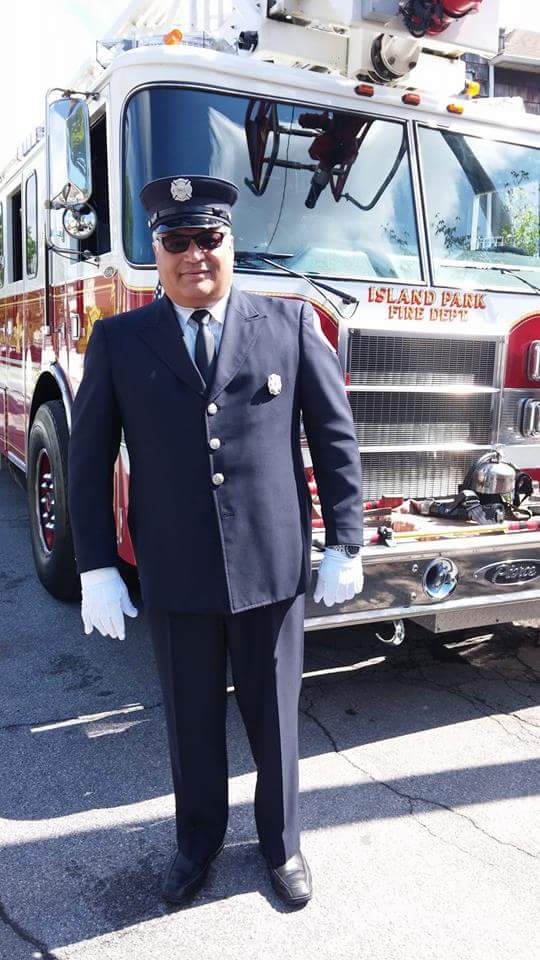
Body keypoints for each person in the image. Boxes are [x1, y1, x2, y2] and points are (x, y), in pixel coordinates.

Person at [67, 175, 364, 910]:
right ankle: (195, 846)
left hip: (272, 567)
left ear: (230, 243)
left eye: (210, 239)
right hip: (173, 570)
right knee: (191, 725)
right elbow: (88, 457)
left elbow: (334, 440)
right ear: (156, 252)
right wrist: (97, 566)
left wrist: (346, 541)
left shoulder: (291, 326)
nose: (195, 255)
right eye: (177, 241)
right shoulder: (119, 340)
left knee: (275, 724)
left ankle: (283, 847)